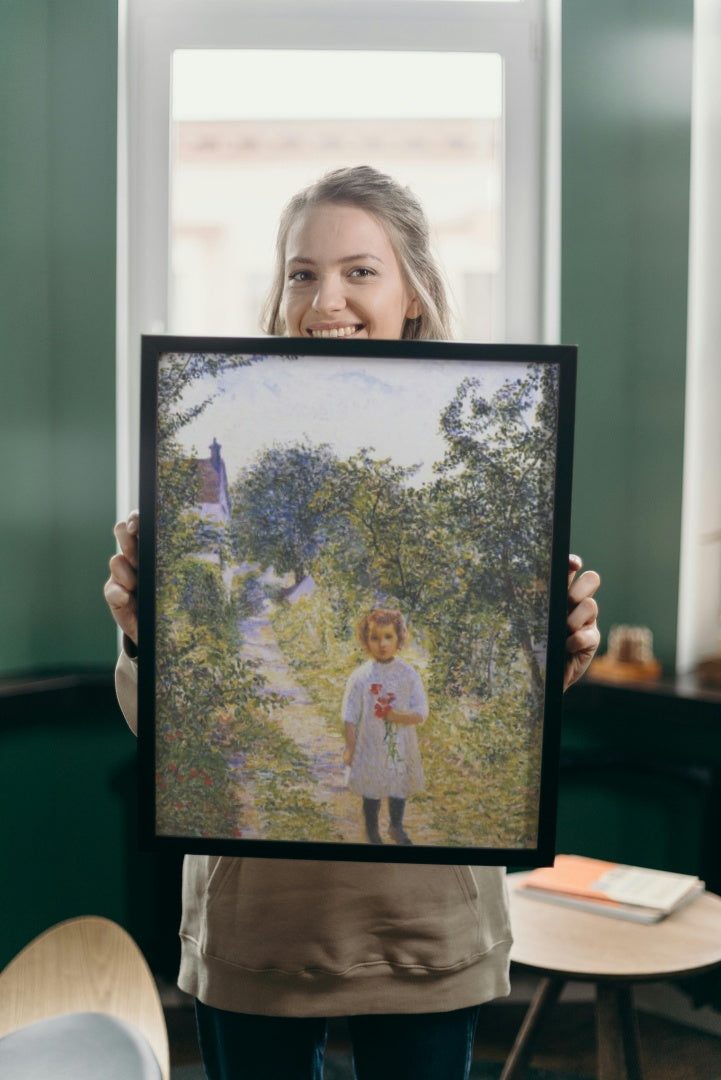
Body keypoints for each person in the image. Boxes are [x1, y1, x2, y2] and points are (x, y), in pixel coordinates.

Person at [105, 165, 601, 1080]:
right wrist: (146, 636)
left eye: (359, 271)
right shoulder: (211, 439)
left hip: (424, 926)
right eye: (301, 272)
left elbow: (496, 699)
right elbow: (169, 731)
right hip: (257, 926)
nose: (324, 297)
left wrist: (555, 652)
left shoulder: (475, 444)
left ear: (413, 291)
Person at [343, 607, 428, 846]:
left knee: (398, 783)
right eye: (375, 638)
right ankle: (372, 832)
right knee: (372, 787)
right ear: (366, 641)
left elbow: (421, 712)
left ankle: (396, 826)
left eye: (388, 637)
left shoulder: (408, 674)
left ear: (399, 638)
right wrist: (350, 747)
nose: (382, 644)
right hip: (370, 743)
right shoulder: (360, 677)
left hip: (399, 743)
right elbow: (350, 716)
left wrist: (397, 716)